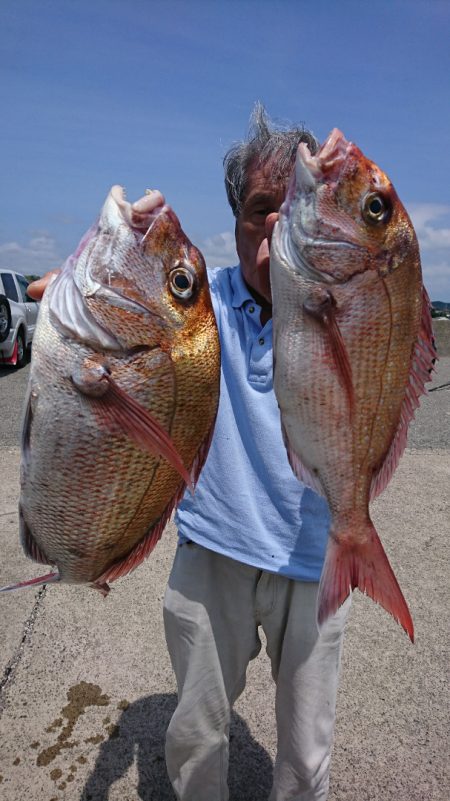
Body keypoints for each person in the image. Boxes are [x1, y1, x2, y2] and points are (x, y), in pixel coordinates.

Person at [29, 104, 351, 801]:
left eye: (292, 205)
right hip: (212, 555)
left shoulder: (348, 307)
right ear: (235, 221)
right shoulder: (200, 311)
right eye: (257, 208)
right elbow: (143, 321)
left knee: (307, 752)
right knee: (199, 734)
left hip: (316, 558)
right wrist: (79, 309)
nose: (273, 225)